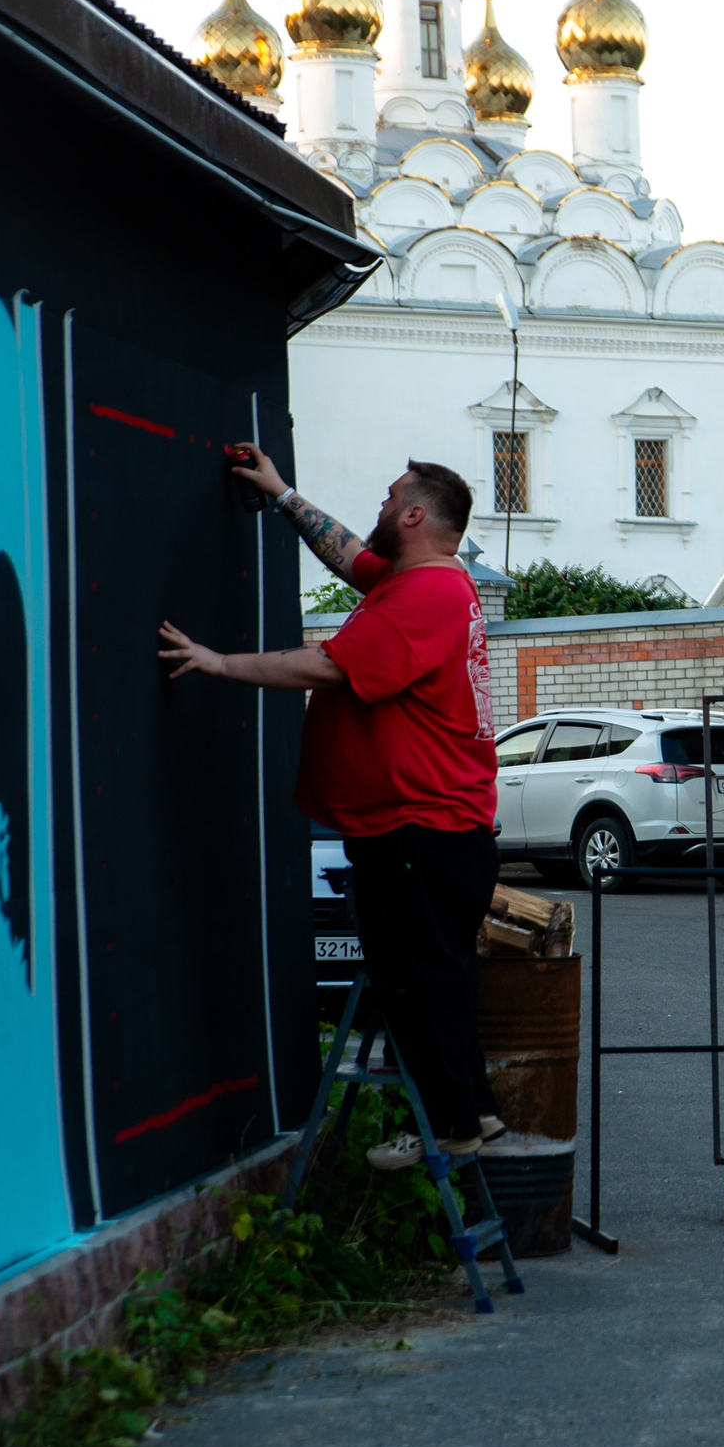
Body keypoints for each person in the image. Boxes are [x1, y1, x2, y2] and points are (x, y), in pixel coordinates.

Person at [157, 446, 506, 1169]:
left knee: (416, 981)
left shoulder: (424, 598)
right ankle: (473, 1108)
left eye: (388, 497)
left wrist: (219, 663)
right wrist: (283, 493)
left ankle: (451, 1125)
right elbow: (349, 555)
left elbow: (326, 667)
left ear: (413, 515)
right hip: (441, 827)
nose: (377, 507)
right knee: (441, 973)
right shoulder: (428, 582)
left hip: (419, 828)